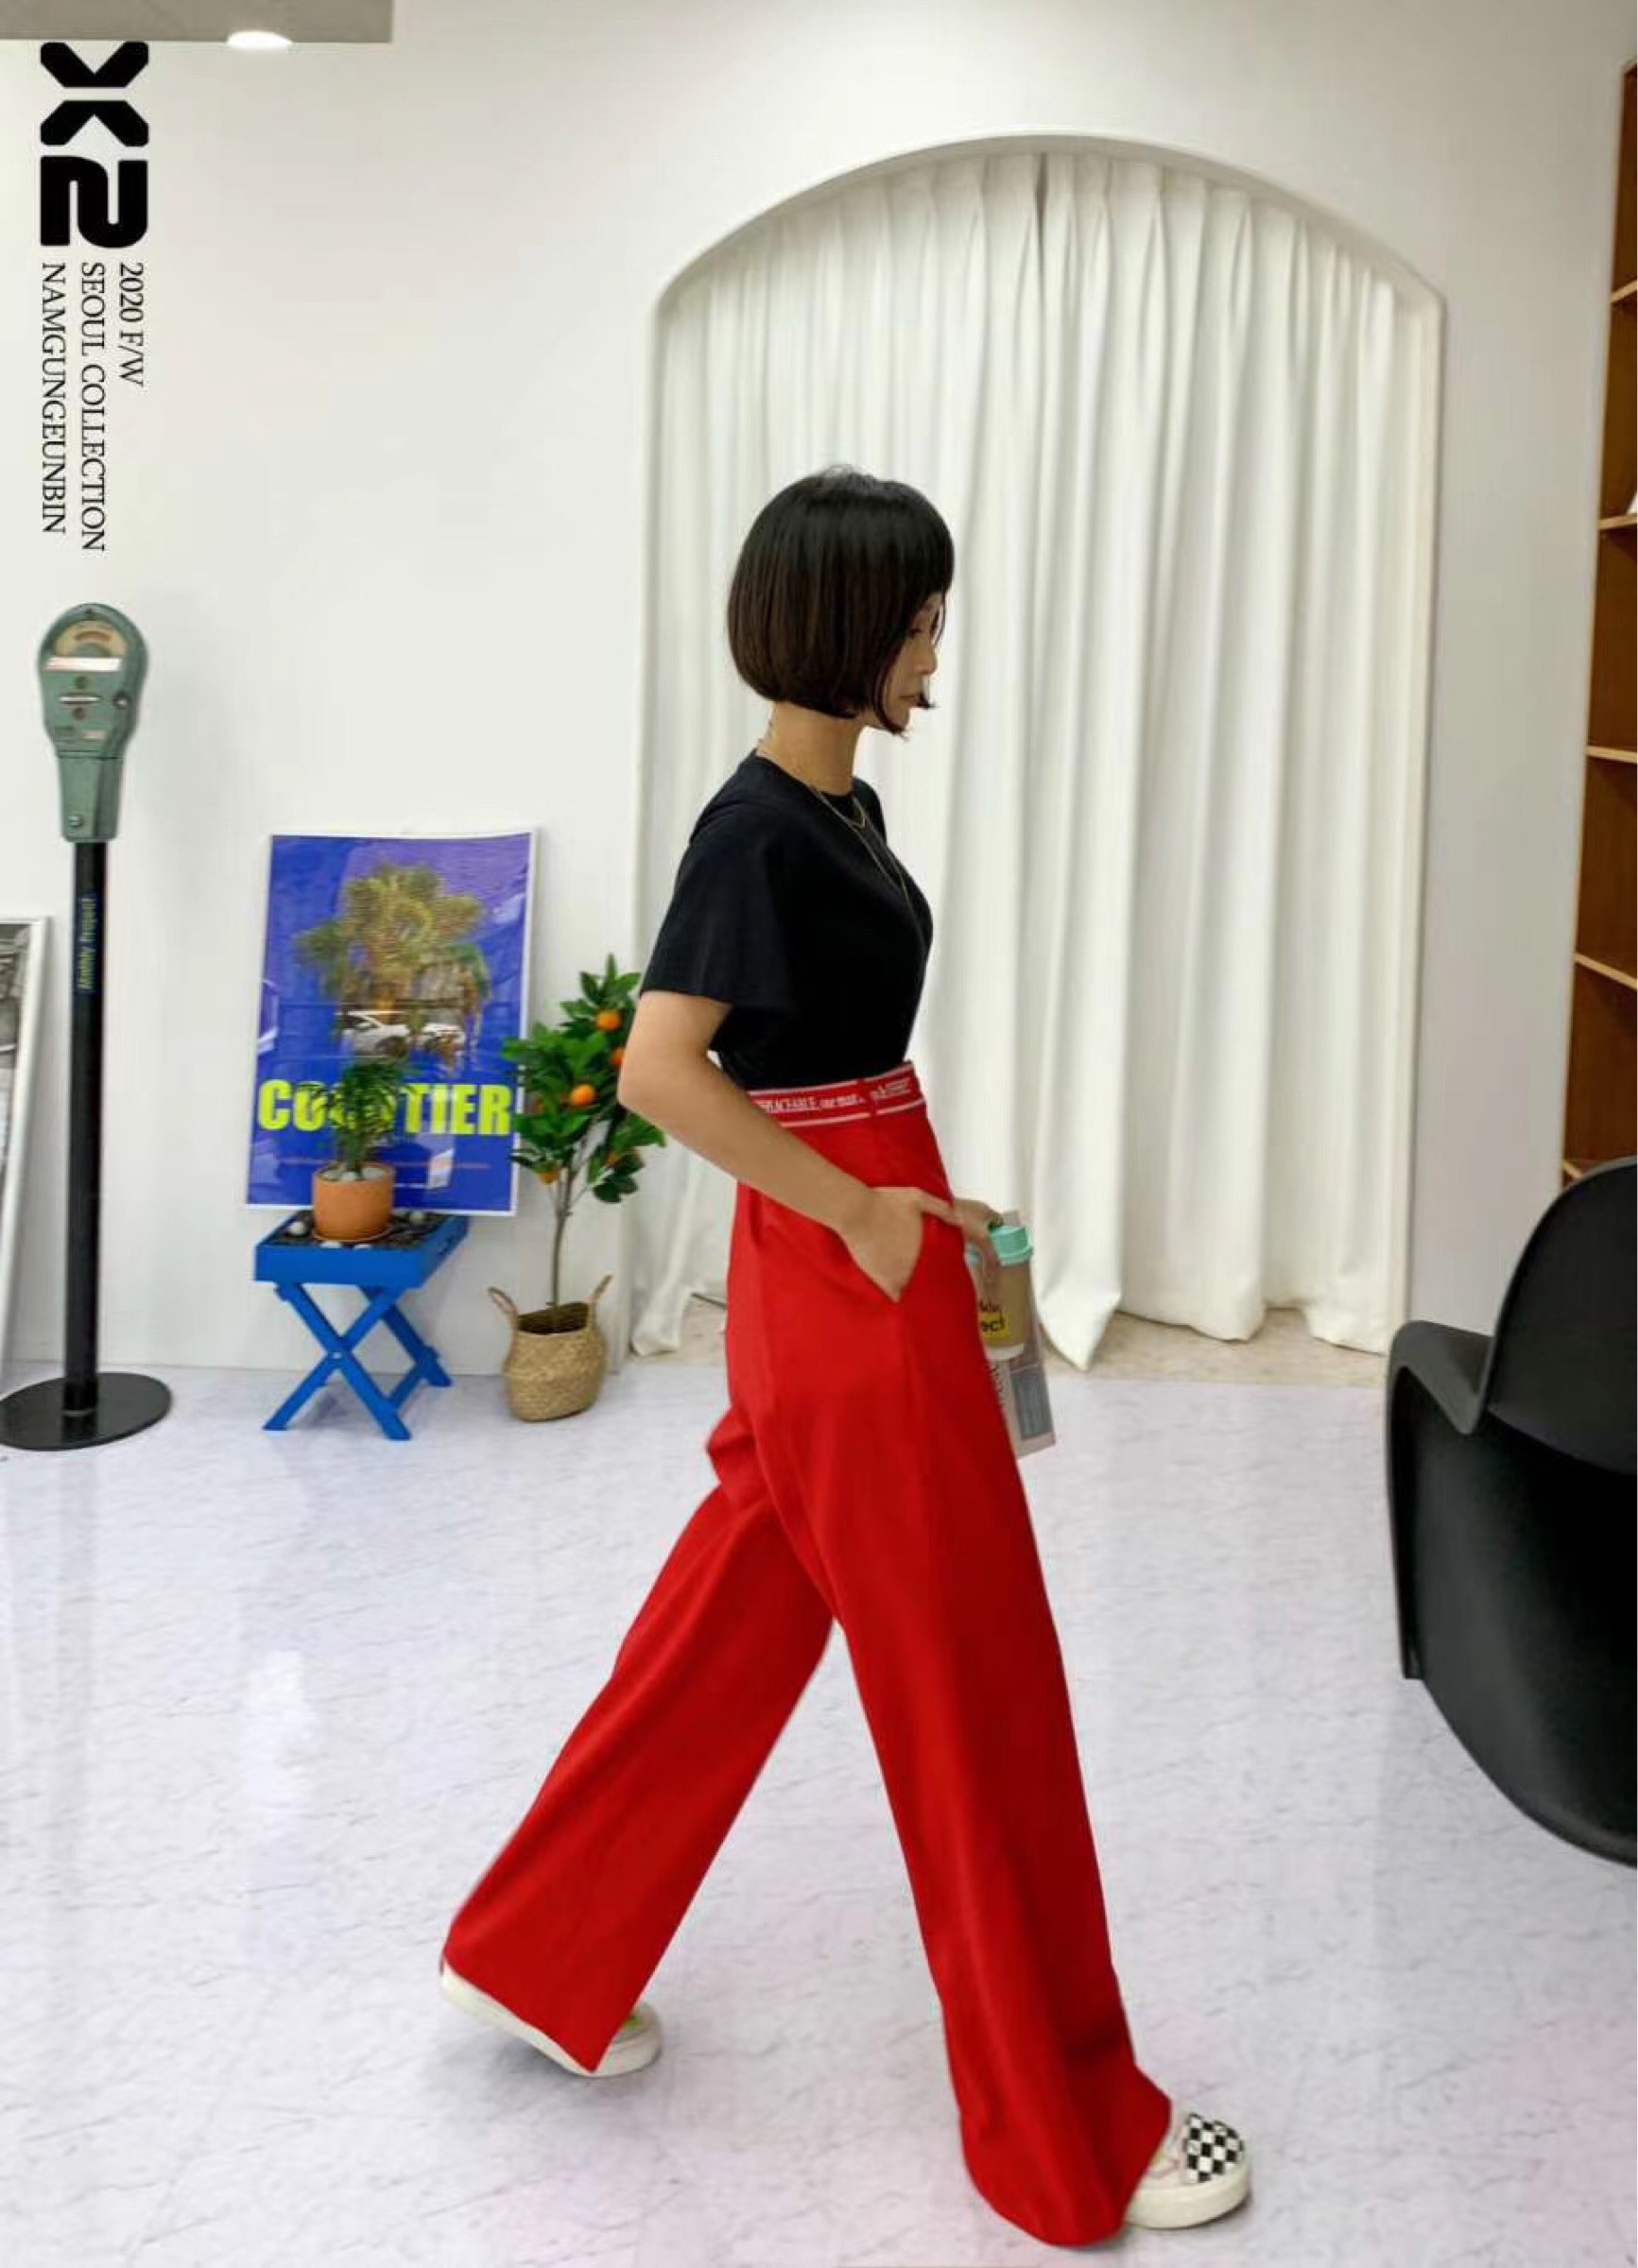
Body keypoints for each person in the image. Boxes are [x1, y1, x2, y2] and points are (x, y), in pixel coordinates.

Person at [440, 466, 1251, 2246]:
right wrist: (862, 1215)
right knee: (975, 1686)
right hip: (840, 1278)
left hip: (865, 1240)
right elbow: (661, 1071)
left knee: (728, 1627)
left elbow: (834, 1066)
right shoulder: (750, 832)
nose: (934, 651)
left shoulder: (842, 809)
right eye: (919, 621)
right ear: (846, 626)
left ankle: (534, 1952)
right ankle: (1066, 2118)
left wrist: (923, 1204)